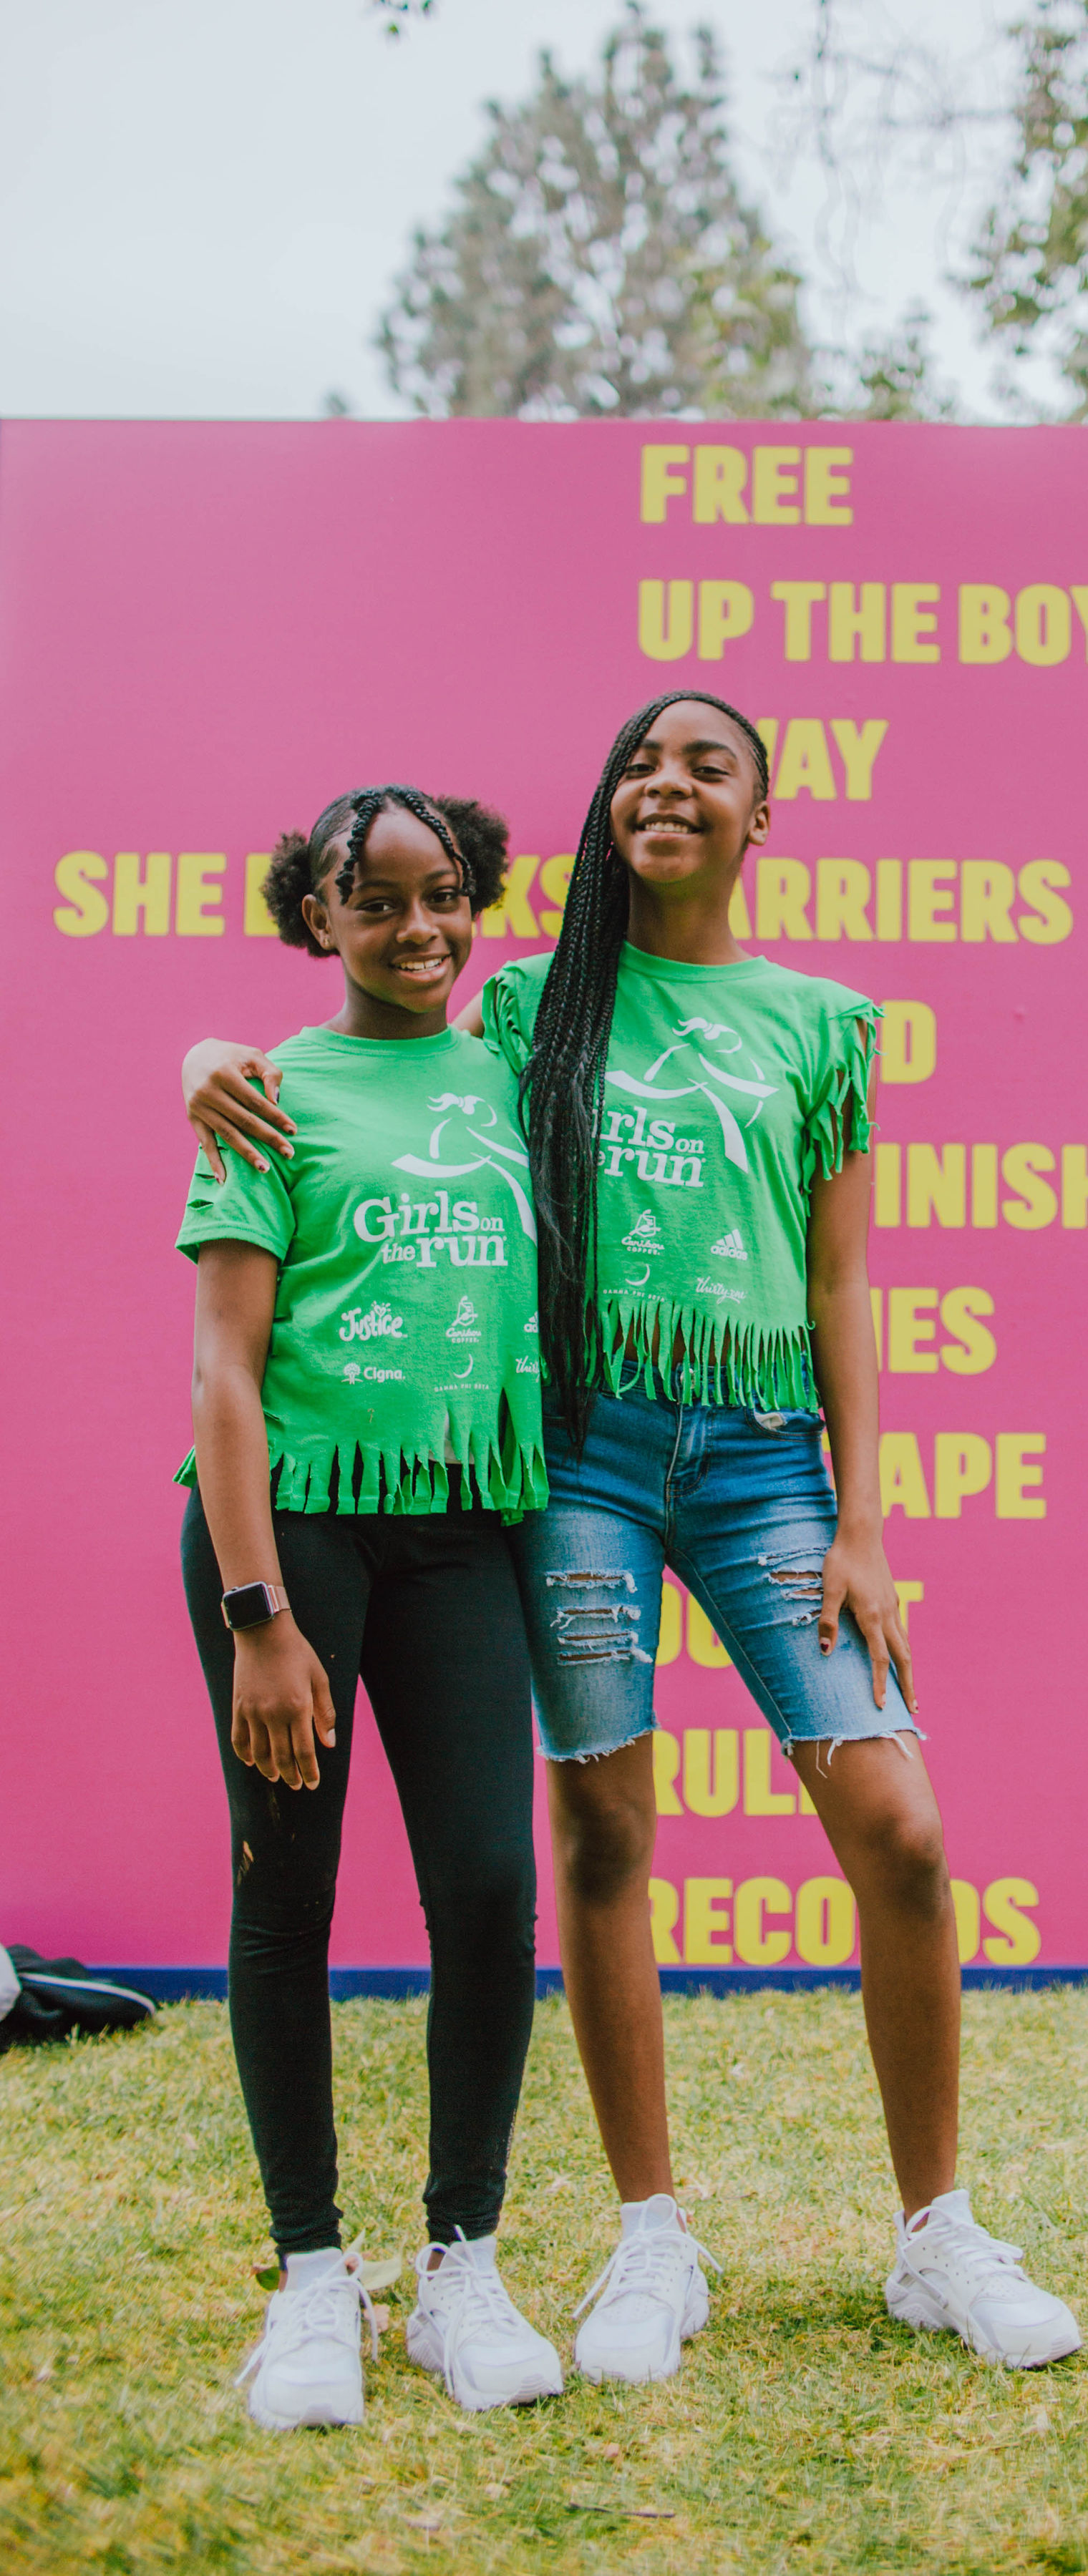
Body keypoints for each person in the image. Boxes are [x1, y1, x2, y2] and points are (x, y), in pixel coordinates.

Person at [184, 697, 1082, 2385]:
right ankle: (645, 2240)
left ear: (762, 817)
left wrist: (864, 1517)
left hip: (761, 1468)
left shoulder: (823, 1023)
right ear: (602, 812)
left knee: (893, 1822)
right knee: (600, 1827)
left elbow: (837, 1283)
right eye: (636, 765)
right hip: (581, 1458)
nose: (666, 785)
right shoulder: (529, 1003)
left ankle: (933, 2234)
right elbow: (364, 1043)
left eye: (707, 767)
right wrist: (195, 1062)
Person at [179, 784, 563, 2430]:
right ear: (317, 918)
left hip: (461, 1532)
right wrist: (261, 1611)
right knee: (291, 1893)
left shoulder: (520, 1074)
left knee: (485, 1882)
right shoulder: (268, 1094)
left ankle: (458, 2262)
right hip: (297, 1547)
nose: (421, 929)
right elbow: (224, 1376)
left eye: (446, 895)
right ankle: (310, 2276)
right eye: (379, 901)